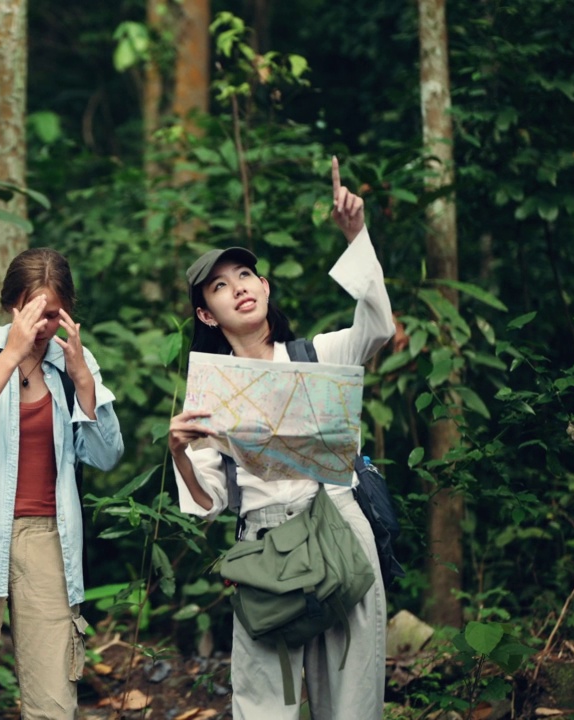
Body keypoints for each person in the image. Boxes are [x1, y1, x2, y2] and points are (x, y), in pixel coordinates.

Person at [168, 158, 393, 719]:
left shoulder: (319, 355)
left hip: (340, 533)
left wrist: (355, 235)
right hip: (267, 553)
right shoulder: (210, 392)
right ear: (207, 313)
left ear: (264, 287)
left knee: (352, 703)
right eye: (220, 286)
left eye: (245, 276)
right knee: (264, 707)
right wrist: (180, 453)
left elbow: (379, 328)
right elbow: (207, 506)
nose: (238, 289)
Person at [0, 248, 125, 719]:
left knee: (53, 708)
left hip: (49, 542)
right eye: (30, 312)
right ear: (10, 305)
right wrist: (11, 355)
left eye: (52, 314)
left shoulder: (74, 360)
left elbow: (106, 455)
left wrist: (81, 378)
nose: (41, 325)